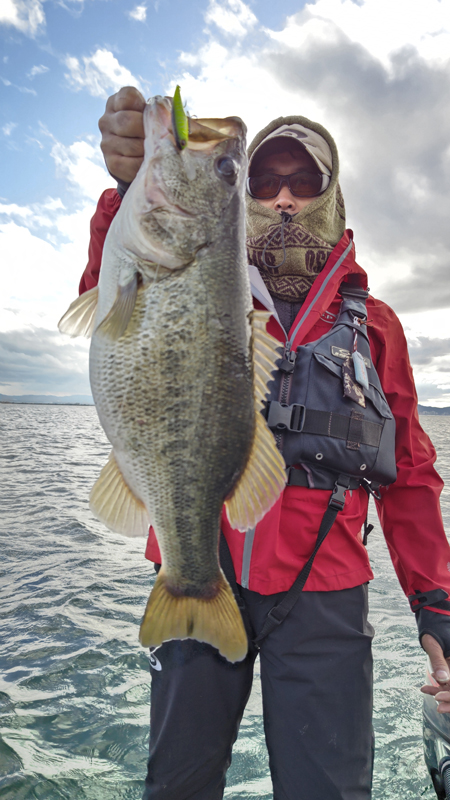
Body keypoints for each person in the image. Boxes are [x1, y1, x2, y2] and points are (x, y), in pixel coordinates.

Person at [79, 86, 450, 800]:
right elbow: (114, 296)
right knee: (177, 785)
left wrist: (435, 602)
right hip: (200, 554)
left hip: (325, 586)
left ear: (330, 195)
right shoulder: (211, 278)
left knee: (329, 790)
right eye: (265, 180)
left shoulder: (375, 324)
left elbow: (410, 472)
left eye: (304, 180)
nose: (284, 196)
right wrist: (125, 190)